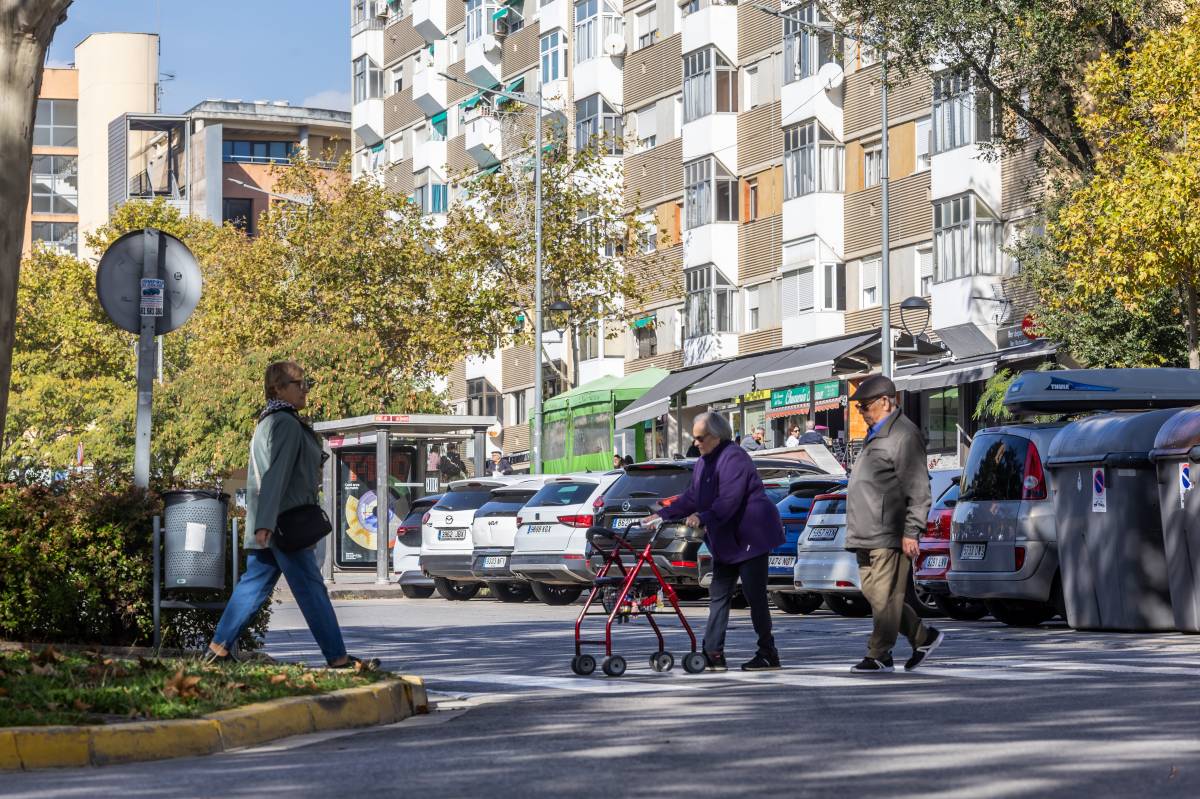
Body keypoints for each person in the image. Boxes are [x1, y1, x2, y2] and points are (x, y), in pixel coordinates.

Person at [205, 361, 377, 670]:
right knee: (311, 589)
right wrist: (266, 523)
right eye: (299, 384)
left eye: (306, 383)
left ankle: (218, 649)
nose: (305, 390)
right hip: (284, 524)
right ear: (278, 388)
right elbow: (276, 474)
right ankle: (338, 658)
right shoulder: (283, 423)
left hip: (272, 522)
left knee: (253, 586)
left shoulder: (271, 421)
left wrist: (262, 522)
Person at [641, 412, 784, 672]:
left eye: (700, 438)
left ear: (716, 436)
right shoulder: (703, 462)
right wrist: (662, 515)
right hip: (726, 538)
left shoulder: (734, 457)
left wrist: (702, 516)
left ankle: (768, 652)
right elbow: (692, 496)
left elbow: (729, 499)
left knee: (755, 596)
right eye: (694, 438)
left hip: (750, 535)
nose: (696, 443)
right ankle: (713, 653)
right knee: (718, 595)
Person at [845, 374, 942, 674]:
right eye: (859, 407)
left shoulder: (904, 435)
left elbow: (918, 489)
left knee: (886, 598)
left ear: (886, 402)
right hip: (865, 532)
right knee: (876, 596)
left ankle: (879, 654)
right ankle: (922, 636)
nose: (861, 411)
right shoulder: (875, 434)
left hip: (889, 532)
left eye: (865, 406)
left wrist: (912, 531)